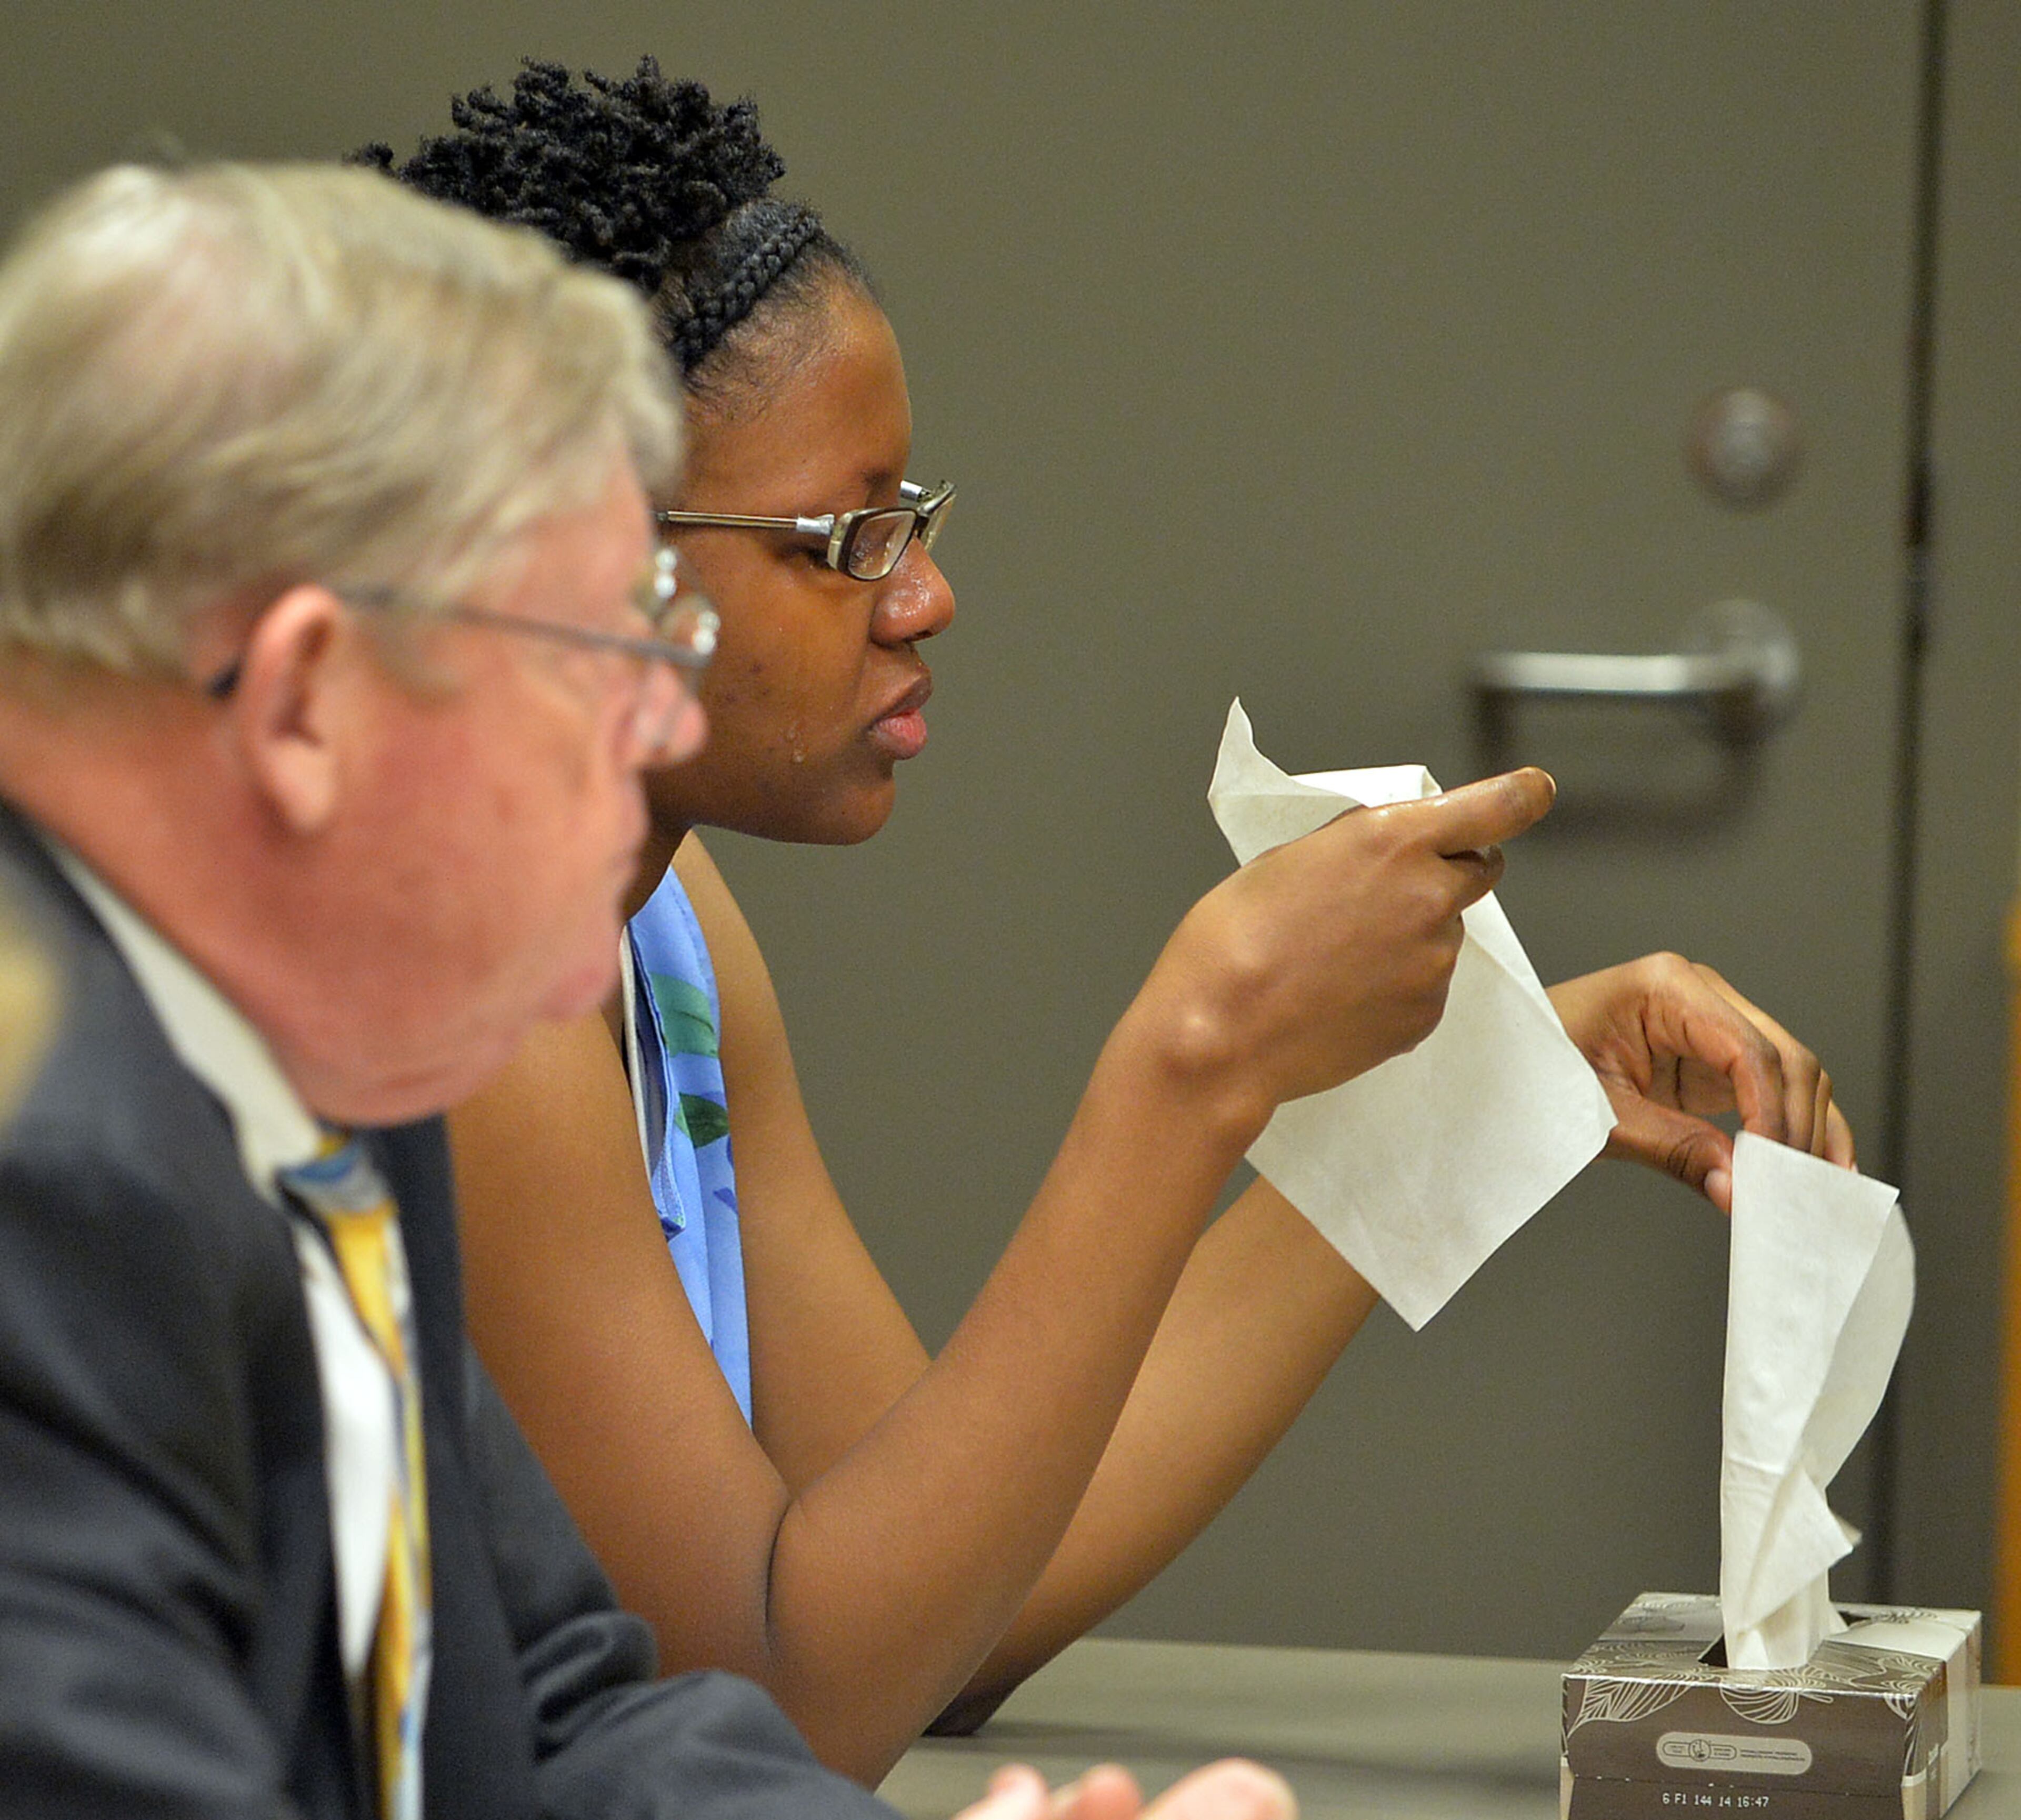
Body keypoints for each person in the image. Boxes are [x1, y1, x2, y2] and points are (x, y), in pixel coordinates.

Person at [370, 62, 1854, 1787]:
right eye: (847, 538)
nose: (925, 597)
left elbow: (948, 1611)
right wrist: (1192, 1058)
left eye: (909, 520)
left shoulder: (668, 918)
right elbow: (791, 1699)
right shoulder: (472, 992)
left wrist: (1453, 1095)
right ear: (582, 561)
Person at [0, 156, 1298, 1820]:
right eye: (588, 655)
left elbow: (558, 1707)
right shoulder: (51, 1200)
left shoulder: (320, 1081)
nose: (654, 731)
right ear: (307, 707)